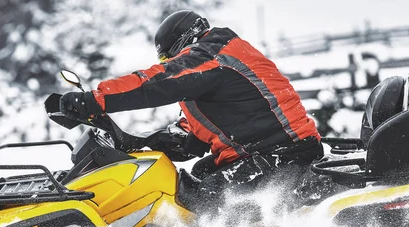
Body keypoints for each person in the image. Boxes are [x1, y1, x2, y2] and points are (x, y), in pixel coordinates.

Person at [59, 10, 323, 212]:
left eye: (168, 58)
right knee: (191, 180)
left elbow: (158, 82)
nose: (169, 63)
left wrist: (96, 99)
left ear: (181, 44)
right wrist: (146, 141)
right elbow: (195, 135)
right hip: (262, 152)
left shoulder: (213, 55)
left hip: (282, 154)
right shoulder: (213, 67)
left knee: (200, 202)